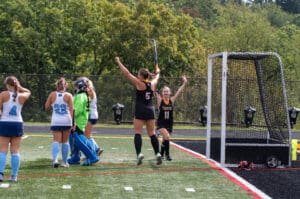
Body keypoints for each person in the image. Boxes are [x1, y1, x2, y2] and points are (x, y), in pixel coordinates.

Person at [115, 57, 162, 165]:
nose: (137, 76)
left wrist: (119, 62)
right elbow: (157, 77)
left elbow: (127, 73)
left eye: (138, 74)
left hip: (140, 110)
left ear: (141, 76)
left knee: (138, 133)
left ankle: (139, 154)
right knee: (152, 133)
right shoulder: (152, 83)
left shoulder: (140, 84)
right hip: (150, 110)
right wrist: (158, 72)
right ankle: (158, 153)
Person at [0, 76, 31, 182]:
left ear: (8, 85)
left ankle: (0, 174)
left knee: (2, 150)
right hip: (17, 123)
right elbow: (28, 91)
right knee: (15, 151)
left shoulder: (3, 94)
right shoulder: (23, 95)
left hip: (4, 122)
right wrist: (19, 87)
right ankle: (14, 176)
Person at [68, 77, 99, 166]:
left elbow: (76, 110)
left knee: (78, 139)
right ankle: (75, 157)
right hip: (77, 120)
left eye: (76, 86)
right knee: (72, 138)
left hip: (78, 121)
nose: (75, 88)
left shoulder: (81, 96)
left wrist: (71, 120)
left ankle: (93, 156)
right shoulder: (81, 95)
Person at [156, 75, 187, 161]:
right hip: (161, 123)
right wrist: (155, 77)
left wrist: (184, 82)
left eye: (167, 92)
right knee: (166, 136)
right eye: (164, 92)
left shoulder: (172, 101)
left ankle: (161, 154)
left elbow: (179, 91)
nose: (166, 93)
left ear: (170, 93)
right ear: (162, 93)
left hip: (169, 123)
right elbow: (153, 88)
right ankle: (167, 155)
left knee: (165, 138)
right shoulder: (160, 100)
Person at [45, 77, 73, 168]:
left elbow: (46, 107)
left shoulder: (52, 94)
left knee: (56, 141)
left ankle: (55, 159)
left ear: (57, 85)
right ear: (66, 86)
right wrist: (73, 123)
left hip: (56, 121)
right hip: (66, 121)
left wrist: (52, 104)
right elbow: (72, 110)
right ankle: (64, 162)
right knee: (65, 141)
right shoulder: (69, 95)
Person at [84, 79, 103, 156]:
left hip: (91, 115)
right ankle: (96, 149)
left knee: (86, 135)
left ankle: (94, 151)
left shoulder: (90, 91)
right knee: (87, 134)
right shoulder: (89, 91)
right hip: (91, 114)